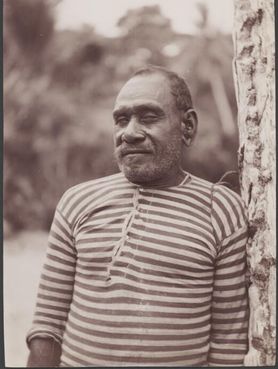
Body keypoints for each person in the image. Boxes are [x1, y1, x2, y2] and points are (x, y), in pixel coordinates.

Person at [26, 65, 249, 367]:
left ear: (188, 127)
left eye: (148, 117)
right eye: (121, 119)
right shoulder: (77, 201)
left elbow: (228, 344)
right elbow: (47, 325)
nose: (129, 133)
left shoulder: (220, 209)